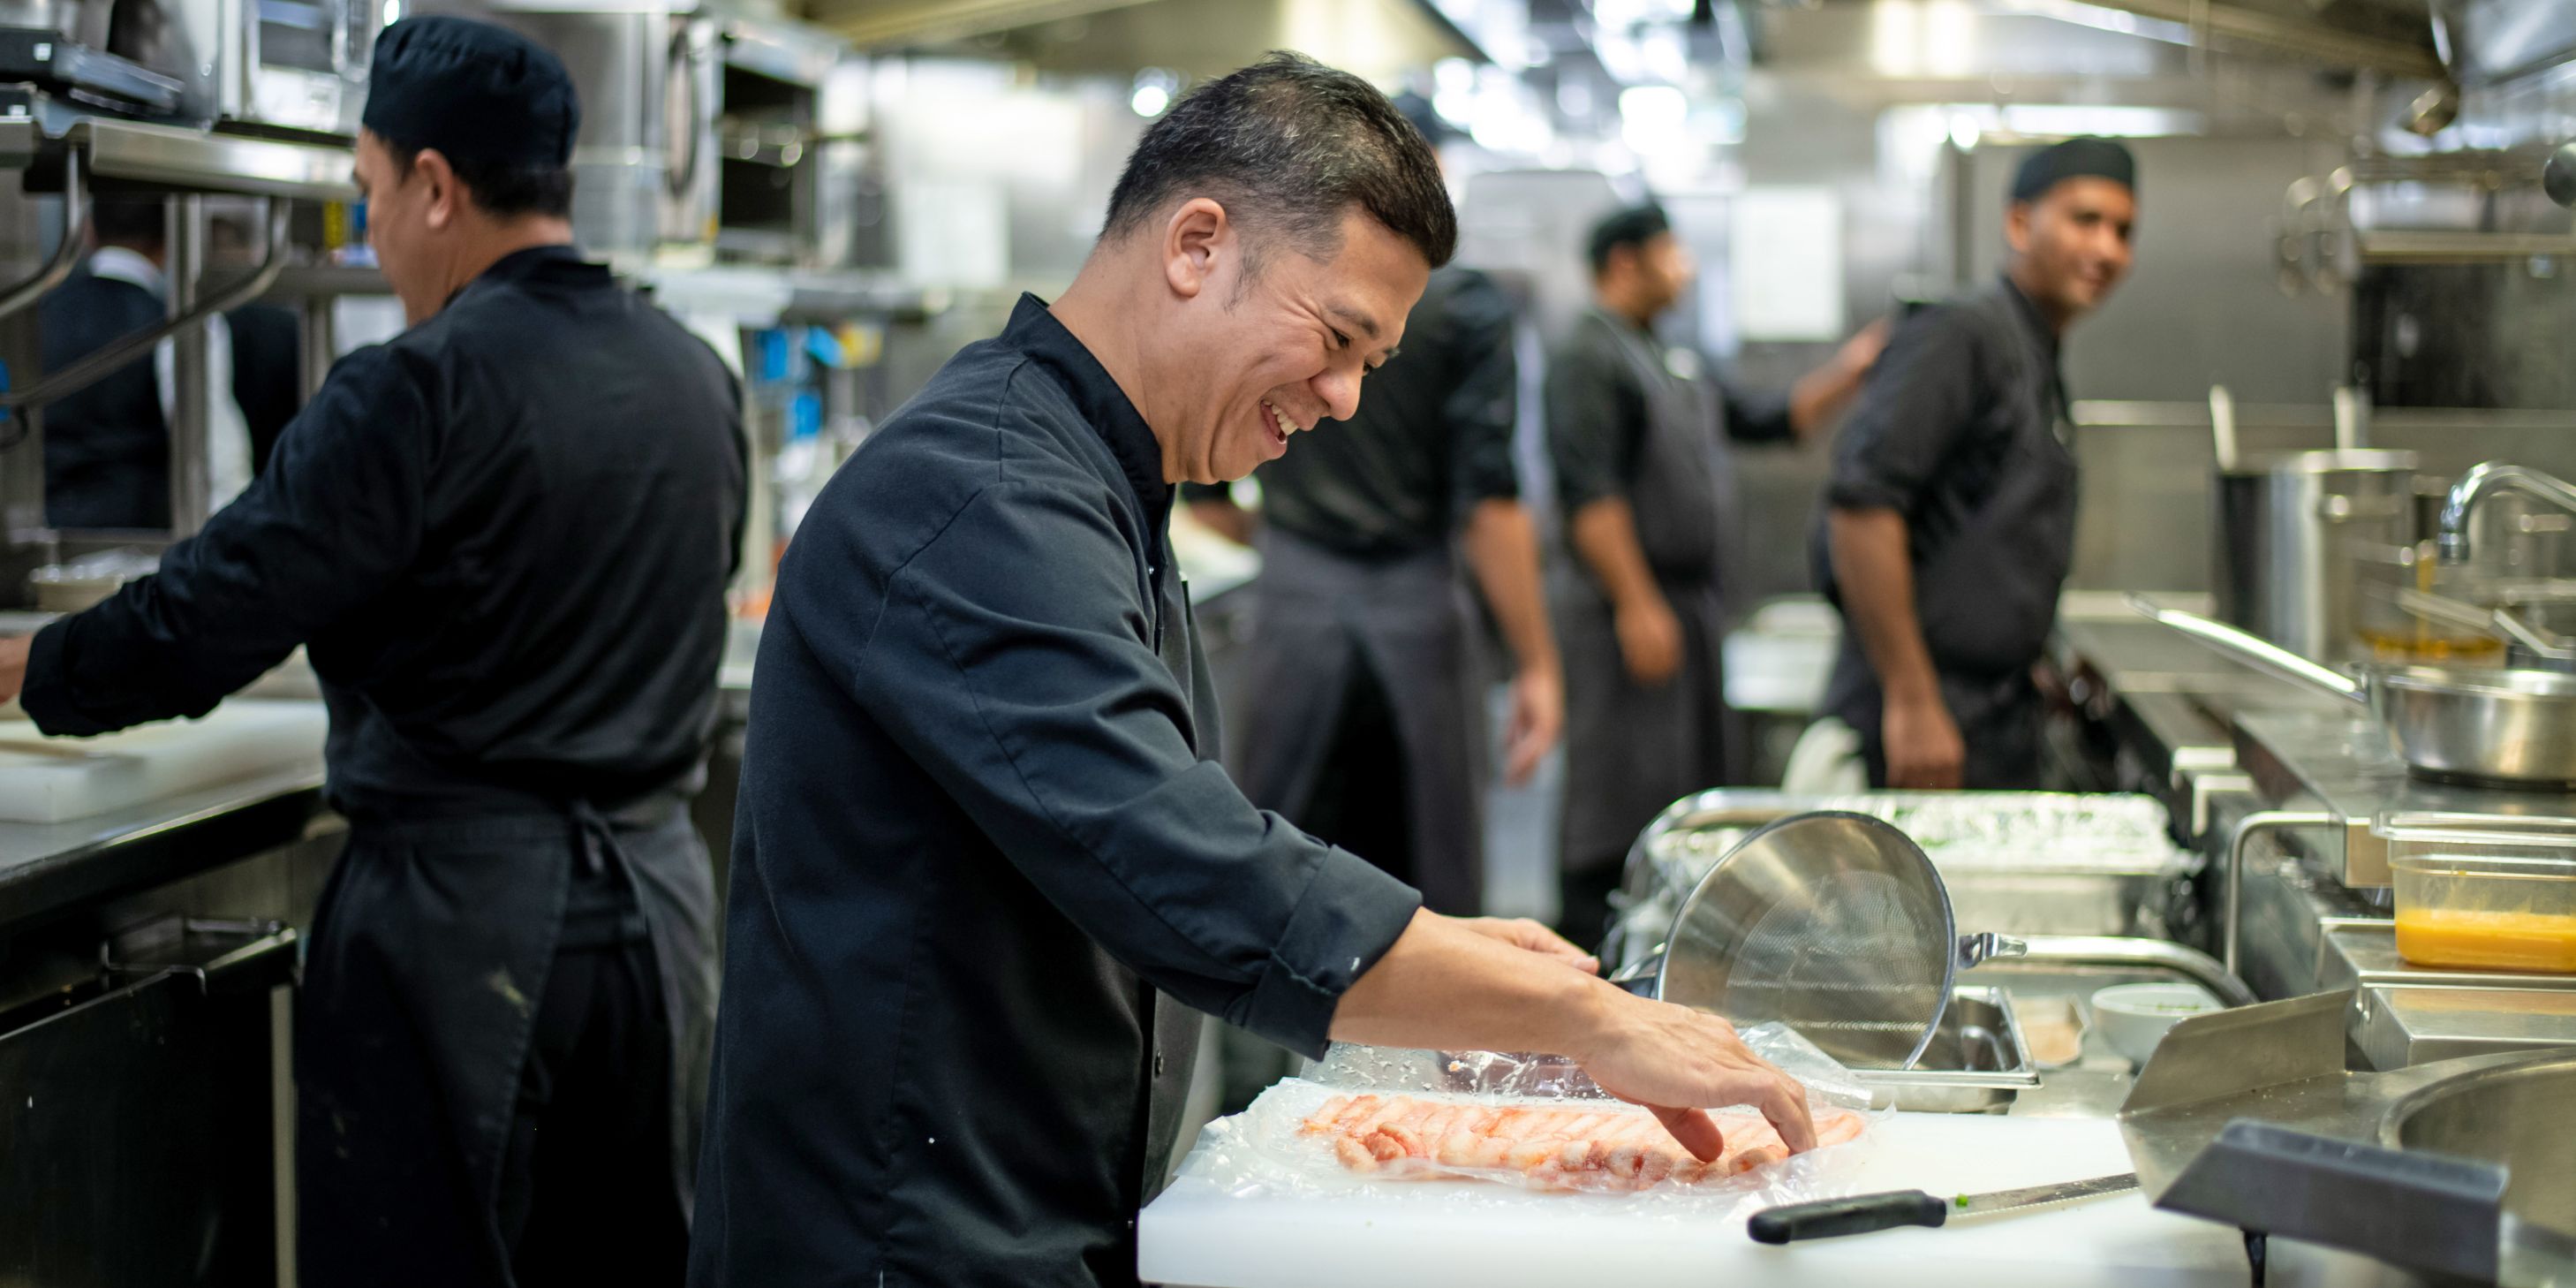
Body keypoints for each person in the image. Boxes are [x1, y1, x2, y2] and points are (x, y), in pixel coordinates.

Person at [691, 55, 1814, 1288]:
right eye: (1336, 339)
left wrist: (1444, 949)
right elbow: (1184, 863)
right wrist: (1586, 1021)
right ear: (1197, 244)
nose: (1338, 399)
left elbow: (1178, 833)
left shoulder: (1102, 480)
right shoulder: (980, 495)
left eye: (1368, 366)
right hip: (900, 1243)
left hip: (1019, 1205)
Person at [0, 17, 747, 1286]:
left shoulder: (416, 386)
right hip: (661, 925)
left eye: (370, 192)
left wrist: (26, 665)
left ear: (436, 186)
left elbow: (203, 622)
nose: (376, 230)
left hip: (465, 935)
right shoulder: (692, 374)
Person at [1182, 95, 1560, 918]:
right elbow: (1488, 505)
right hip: (1417, 611)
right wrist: (1535, 661)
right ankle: (1435, 1047)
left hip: (1295, 605)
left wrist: (1271, 527)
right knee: (1432, 870)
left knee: (1272, 859)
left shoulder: (1283, 292)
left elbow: (1209, 477)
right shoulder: (1462, 307)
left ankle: (1259, 1053)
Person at [1546, 203, 1884, 944]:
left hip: (1685, 608)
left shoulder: (1667, 354)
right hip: (1621, 614)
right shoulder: (1587, 356)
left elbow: (1769, 418)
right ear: (1625, 262)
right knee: (1617, 796)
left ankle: (1665, 949)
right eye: (1672, 253)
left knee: (1680, 791)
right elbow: (1590, 495)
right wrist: (1636, 603)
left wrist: (1856, 367)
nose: (1686, 269)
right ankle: (1587, 955)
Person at [1815, 137, 2137, 791]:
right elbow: (1859, 506)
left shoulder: (2034, 351)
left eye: (2122, 231)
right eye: (2084, 220)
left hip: (1989, 713)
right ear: (2019, 222)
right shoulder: (1961, 334)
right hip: (1917, 723)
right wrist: (1910, 699)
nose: (2106, 249)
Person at [38, 197, 257, 527]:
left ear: (88, 230)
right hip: (143, 541)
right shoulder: (180, 324)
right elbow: (218, 460)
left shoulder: (34, 317)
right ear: (170, 238)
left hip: (46, 537)